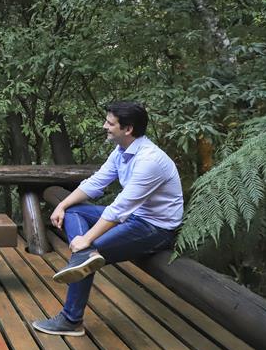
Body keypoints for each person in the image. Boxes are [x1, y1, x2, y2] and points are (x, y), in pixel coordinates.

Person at [32, 101, 183, 336]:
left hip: (155, 229)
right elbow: (96, 182)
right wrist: (62, 204)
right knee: (75, 212)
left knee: (87, 254)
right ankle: (82, 257)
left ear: (128, 129)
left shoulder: (150, 161)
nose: (104, 126)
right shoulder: (121, 152)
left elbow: (120, 208)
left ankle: (71, 320)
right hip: (132, 218)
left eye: (110, 123)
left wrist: (87, 239)